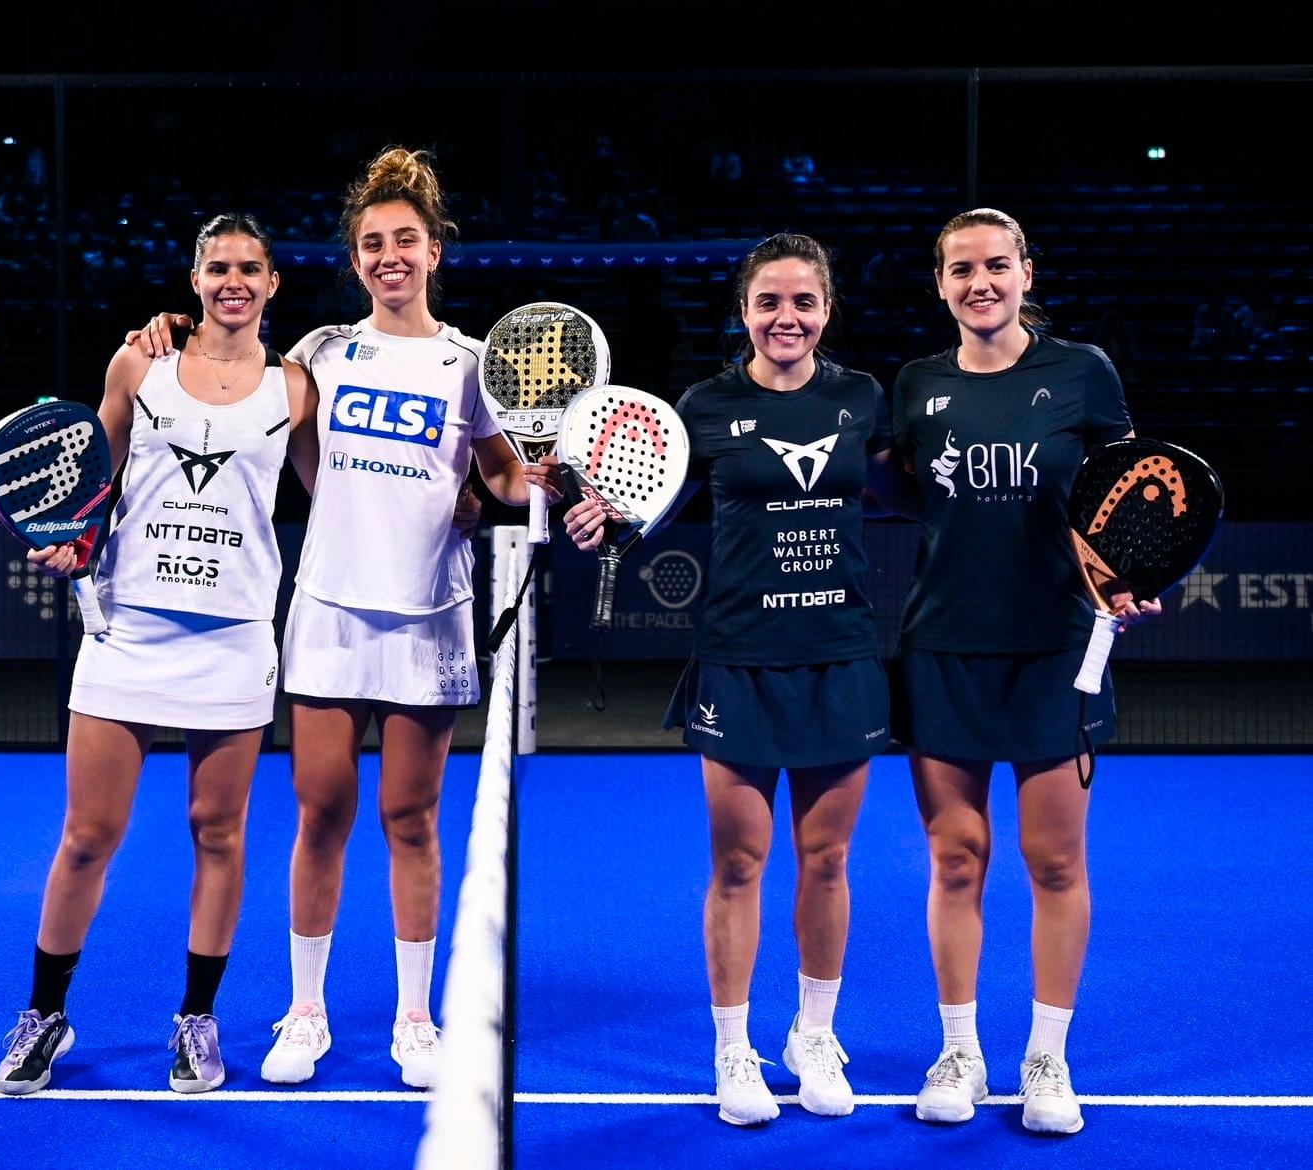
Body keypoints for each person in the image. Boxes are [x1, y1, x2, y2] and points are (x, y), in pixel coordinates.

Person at [126, 146, 559, 1090]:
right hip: (326, 613)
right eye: (372, 243)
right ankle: (305, 1013)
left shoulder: (471, 364)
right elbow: (248, 391)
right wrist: (163, 329)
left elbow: (499, 476)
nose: (389, 256)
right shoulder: (317, 352)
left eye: (406, 240)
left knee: (411, 819)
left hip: (429, 618)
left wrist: (557, 480)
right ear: (355, 259)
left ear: (435, 251)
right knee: (320, 815)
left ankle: (414, 1019)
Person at [562, 232, 913, 1126]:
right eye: (769, 302)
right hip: (738, 659)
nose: (785, 317)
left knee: (827, 860)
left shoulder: (862, 400)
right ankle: (733, 1049)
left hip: (839, 655)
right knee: (739, 863)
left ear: (826, 310)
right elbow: (647, 506)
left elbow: (909, 492)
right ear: (744, 312)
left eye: (803, 302)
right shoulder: (706, 406)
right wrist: (604, 519)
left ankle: (814, 1035)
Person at [0, 212, 321, 1096]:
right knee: (87, 835)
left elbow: (334, 496)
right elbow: (89, 481)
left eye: (251, 267)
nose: (234, 282)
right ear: (193, 278)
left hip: (235, 638)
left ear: (274, 282)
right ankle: (46, 1015)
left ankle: (196, 1020)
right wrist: (72, 537)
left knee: (218, 833)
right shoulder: (138, 365)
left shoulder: (296, 388)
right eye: (218, 266)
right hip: (127, 631)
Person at [890, 208, 1161, 1135]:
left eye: (996, 266)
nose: (981, 284)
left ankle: (1047, 1058)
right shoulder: (917, 386)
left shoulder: (1082, 374)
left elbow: (1127, 503)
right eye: (961, 270)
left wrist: (1127, 576)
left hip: (1056, 655)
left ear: (1027, 273)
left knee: (1054, 861)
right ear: (940, 285)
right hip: (945, 653)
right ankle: (959, 1051)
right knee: (956, 859)